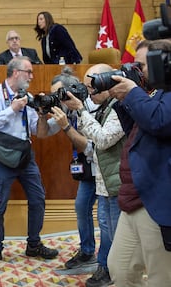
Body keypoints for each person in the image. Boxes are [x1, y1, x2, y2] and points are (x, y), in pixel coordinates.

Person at [0, 56, 58, 268]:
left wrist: (48, 117)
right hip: (2, 157)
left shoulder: (29, 97)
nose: (32, 76)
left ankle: (33, 244)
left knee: (38, 199)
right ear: (16, 73)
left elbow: (37, 131)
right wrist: (12, 109)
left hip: (25, 156)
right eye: (29, 72)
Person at [107, 39, 171, 286]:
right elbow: (137, 129)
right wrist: (121, 101)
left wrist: (132, 93)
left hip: (157, 198)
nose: (138, 71)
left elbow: (159, 121)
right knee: (120, 270)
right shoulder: (152, 93)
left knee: (161, 277)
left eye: (142, 65)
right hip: (133, 197)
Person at [65, 63, 126, 287]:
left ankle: (113, 271)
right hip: (103, 180)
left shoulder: (120, 106)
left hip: (117, 182)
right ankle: (104, 267)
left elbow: (102, 139)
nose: (89, 93)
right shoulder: (103, 106)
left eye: (93, 88)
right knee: (107, 229)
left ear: (107, 83)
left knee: (116, 233)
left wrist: (80, 110)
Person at [36, 67, 98, 271]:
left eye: (58, 94)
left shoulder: (88, 106)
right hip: (88, 167)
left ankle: (105, 259)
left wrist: (66, 127)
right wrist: (43, 115)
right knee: (82, 207)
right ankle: (88, 251)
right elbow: (42, 134)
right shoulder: (66, 109)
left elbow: (89, 145)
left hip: (103, 166)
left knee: (106, 217)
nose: (56, 98)